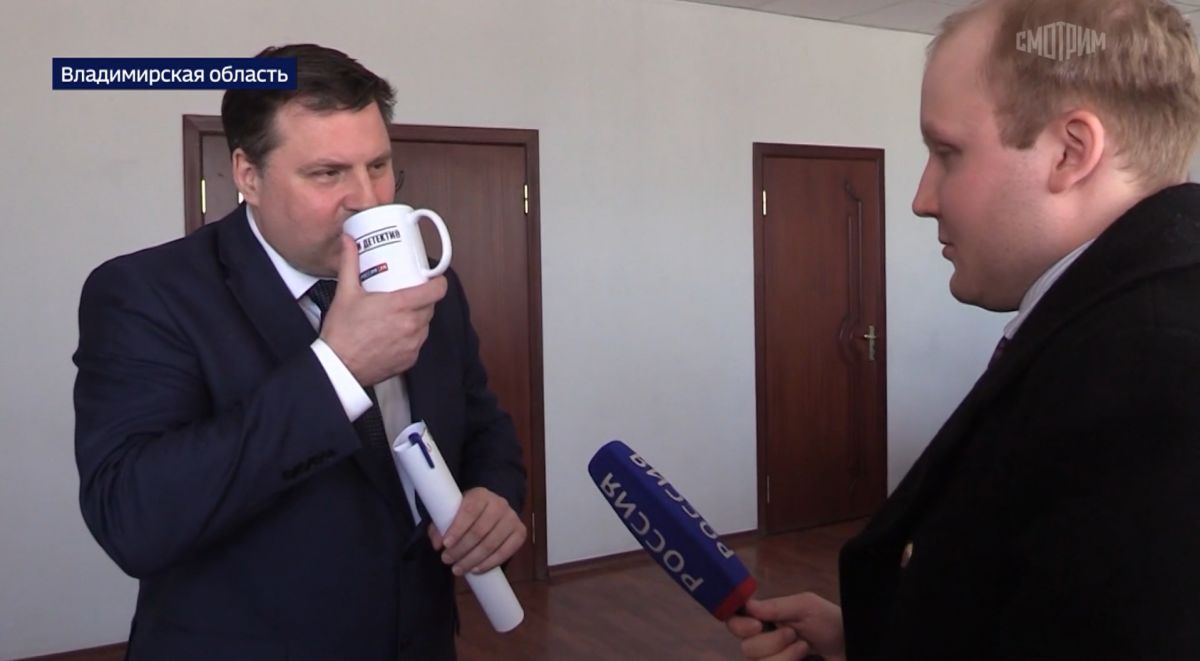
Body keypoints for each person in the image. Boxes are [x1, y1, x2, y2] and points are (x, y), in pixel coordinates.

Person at [729, 0, 1200, 658]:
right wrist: (873, 639)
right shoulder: (1112, 331)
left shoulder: (1154, 377)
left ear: (1071, 152)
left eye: (947, 153)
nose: (922, 198)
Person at [72, 43, 526, 660]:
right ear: (247, 175)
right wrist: (339, 370)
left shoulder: (426, 283)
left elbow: (483, 426)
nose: (368, 199)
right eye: (327, 173)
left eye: (378, 165)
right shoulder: (145, 294)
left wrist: (496, 492)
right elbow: (133, 518)